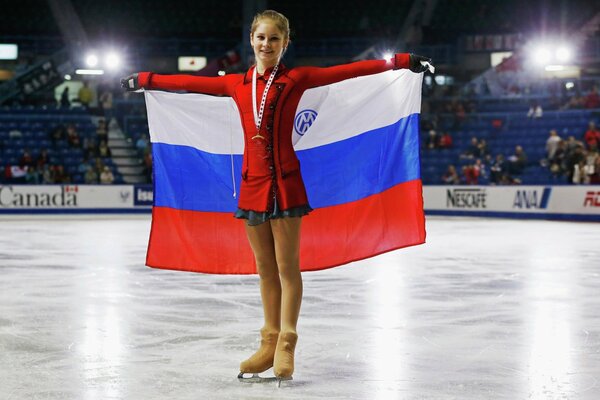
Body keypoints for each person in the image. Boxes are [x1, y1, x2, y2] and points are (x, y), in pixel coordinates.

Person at [121, 9, 431, 384]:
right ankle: (268, 341)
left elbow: (349, 71)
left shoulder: (296, 79)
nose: (266, 45)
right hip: (252, 186)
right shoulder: (237, 84)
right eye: (261, 38)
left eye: (274, 39)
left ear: (285, 44)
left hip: (285, 184)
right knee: (265, 270)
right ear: (252, 40)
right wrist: (146, 80)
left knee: (287, 268)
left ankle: (287, 340)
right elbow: (190, 83)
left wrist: (400, 62)